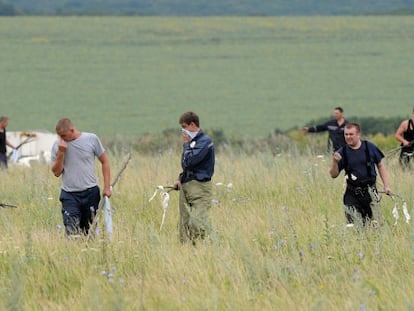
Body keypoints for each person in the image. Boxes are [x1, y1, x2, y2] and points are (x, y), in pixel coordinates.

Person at [51, 118, 111, 237]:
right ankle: (72, 252)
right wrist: (61, 153)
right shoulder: (57, 146)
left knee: (88, 231)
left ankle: (87, 253)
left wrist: (107, 187)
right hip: (69, 194)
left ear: (72, 130)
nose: (61, 139)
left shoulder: (91, 139)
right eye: (59, 136)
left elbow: (105, 162)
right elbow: (56, 172)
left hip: (90, 193)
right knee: (71, 230)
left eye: (63, 135)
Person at [329, 123, 391, 226]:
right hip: (352, 193)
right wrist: (335, 162)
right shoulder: (342, 152)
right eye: (346, 134)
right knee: (354, 225)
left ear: (358, 135)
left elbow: (380, 165)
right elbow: (333, 175)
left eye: (351, 134)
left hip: (370, 192)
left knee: (373, 225)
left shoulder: (370, 147)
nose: (348, 137)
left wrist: (386, 186)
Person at [174, 112, 215, 245]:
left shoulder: (205, 142)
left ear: (193, 125)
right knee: (184, 226)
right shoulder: (191, 143)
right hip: (186, 187)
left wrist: (186, 145)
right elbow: (186, 166)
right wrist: (180, 178)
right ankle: (187, 254)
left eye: (184, 127)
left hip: (200, 188)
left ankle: (206, 246)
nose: (183, 131)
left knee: (196, 222)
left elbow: (190, 161)